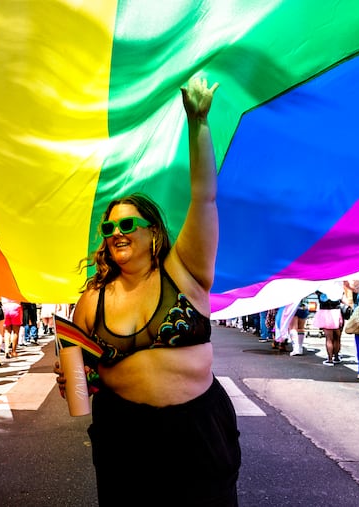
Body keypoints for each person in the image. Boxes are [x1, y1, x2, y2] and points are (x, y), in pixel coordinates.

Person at [54, 77, 240, 505]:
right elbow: (80, 365)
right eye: (109, 227)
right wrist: (74, 378)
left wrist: (198, 123)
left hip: (198, 430)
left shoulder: (186, 272)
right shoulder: (92, 300)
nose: (116, 232)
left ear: (153, 232)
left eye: (126, 224)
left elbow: (205, 198)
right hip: (126, 435)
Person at [313, 280, 345, 366]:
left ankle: (330, 359)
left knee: (329, 338)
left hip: (325, 312)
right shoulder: (339, 283)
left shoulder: (321, 285)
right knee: (337, 338)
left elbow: (315, 291)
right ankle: (337, 357)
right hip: (337, 311)